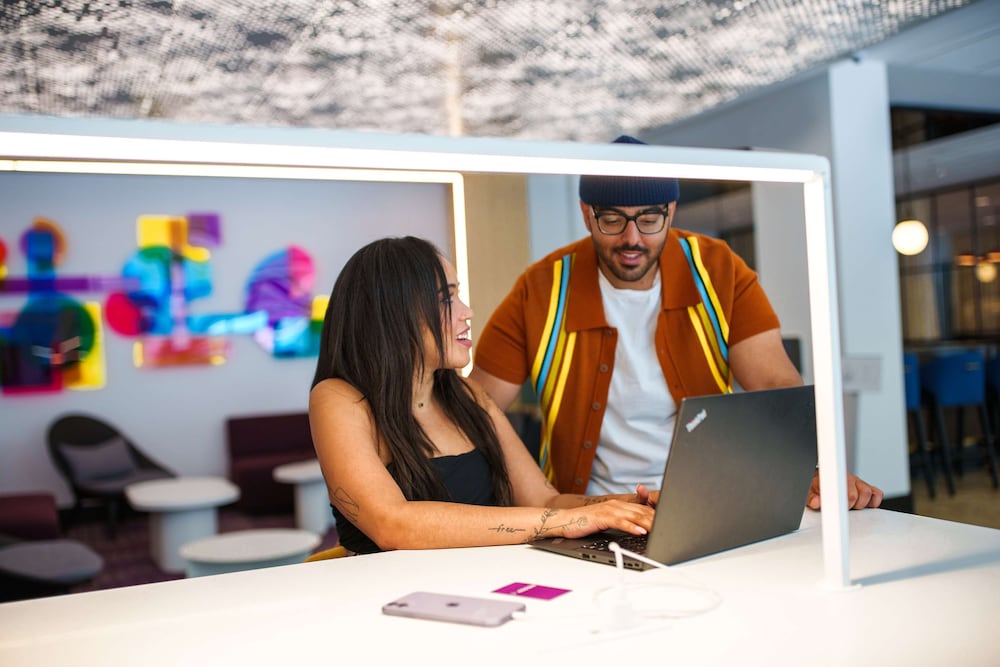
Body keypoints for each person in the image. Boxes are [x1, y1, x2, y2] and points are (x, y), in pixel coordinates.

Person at [468, 135, 883, 511]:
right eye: (612, 220)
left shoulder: (719, 270)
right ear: (586, 214)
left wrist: (815, 466)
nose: (632, 239)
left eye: (649, 219)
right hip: (589, 511)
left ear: (671, 211)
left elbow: (774, 382)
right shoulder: (541, 288)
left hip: (709, 502)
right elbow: (478, 407)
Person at [308, 235, 657, 555]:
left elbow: (544, 500)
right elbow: (393, 525)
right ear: (393, 314)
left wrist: (631, 507)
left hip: (486, 584)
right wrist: (567, 521)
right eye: (446, 299)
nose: (467, 312)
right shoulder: (338, 400)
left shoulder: (468, 396)